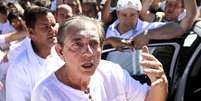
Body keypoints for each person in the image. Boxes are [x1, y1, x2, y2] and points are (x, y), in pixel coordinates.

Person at [31, 15, 168, 101]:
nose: (88, 52)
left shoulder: (112, 72)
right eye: (77, 44)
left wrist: (160, 82)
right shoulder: (45, 93)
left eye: (93, 43)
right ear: (60, 52)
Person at [6, 6, 58, 101]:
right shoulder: (19, 67)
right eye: (45, 27)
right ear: (30, 31)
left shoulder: (63, 56)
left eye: (53, 25)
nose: (52, 30)